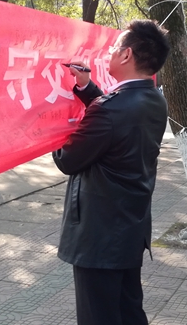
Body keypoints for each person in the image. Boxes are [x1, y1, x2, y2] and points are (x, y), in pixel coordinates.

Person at [52, 19, 170, 325]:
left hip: (100, 235)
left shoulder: (111, 109)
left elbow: (67, 160)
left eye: (115, 47)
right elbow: (115, 119)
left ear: (127, 55)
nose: (109, 53)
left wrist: (43, 129)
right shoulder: (154, 99)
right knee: (129, 312)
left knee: (99, 317)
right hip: (129, 228)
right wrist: (86, 88)